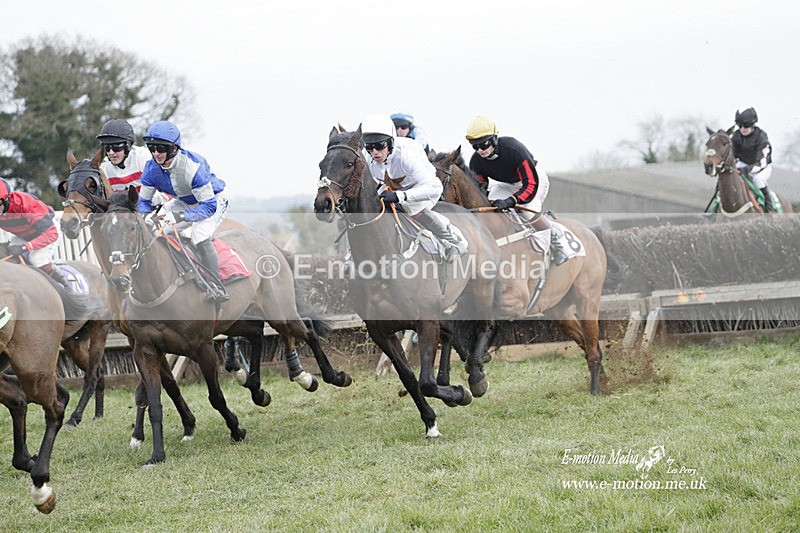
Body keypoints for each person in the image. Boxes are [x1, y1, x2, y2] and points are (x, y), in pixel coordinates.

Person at [137, 120, 230, 302]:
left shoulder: (192, 167)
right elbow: (143, 202)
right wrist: (146, 215)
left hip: (213, 202)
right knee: (157, 230)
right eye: (152, 148)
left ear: (173, 148)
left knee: (199, 234)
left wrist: (179, 216)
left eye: (161, 148)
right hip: (184, 201)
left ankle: (216, 286)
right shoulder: (150, 169)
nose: (156, 153)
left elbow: (208, 206)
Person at [465, 115, 570, 266]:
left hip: (533, 180)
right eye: (475, 146)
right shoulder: (476, 162)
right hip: (504, 184)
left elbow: (531, 184)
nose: (480, 150)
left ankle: (557, 241)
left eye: (483, 145)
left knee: (527, 209)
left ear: (494, 138)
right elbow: (481, 188)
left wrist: (511, 201)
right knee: (491, 207)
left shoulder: (514, 150)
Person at [362, 113, 467, 262]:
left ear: (390, 143)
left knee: (409, 206)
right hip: (393, 188)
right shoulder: (367, 156)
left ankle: (455, 241)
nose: (374, 152)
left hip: (423, 188)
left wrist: (401, 196)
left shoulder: (406, 155)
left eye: (379, 146)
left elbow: (435, 187)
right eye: (369, 147)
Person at [0, 178, 75, 290]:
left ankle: (66, 289)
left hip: (48, 231)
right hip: (24, 235)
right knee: (5, 252)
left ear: (7, 198)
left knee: (37, 258)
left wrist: (26, 246)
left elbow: (51, 234)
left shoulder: (25, 205)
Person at [731, 107, 775, 213]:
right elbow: (732, 154)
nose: (743, 129)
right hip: (743, 164)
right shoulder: (736, 136)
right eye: (740, 126)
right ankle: (714, 206)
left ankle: (770, 209)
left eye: (746, 126)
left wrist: (748, 169)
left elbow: (762, 162)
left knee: (758, 180)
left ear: (753, 124)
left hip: (762, 167)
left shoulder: (761, 137)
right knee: (727, 174)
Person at [96, 118, 153, 193]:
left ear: (128, 145)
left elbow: (159, 190)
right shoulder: (104, 168)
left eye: (116, 147)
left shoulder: (143, 157)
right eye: (107, 147)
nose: (111, 152)